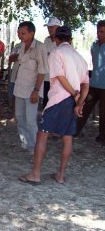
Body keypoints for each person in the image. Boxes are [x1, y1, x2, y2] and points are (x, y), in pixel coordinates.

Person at [19, 26, 89, 185]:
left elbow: (61, 77)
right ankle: (61, 175)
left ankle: (35, 174)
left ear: (56, 39)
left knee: (42, 134)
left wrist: (73, 93)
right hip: (72, 101)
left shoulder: (57, 53)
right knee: (67, 137)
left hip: (58, 99)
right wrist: (79, 101)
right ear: (71, 39)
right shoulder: (80, 58)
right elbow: (85, 85)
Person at [13, 21, 48, 154]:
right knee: (19, 116)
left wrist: (36, 90)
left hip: (32, 90)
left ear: (31, 33)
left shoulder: (40, 47)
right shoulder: (20, 46)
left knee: (30, 120)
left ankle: (34, 147)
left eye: (23, 33)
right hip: (19, 88)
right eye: (19, 32)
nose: (20, 35)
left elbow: (42, 71)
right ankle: (25, 142)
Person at [75, 20, 105, 146]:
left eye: (103, 32)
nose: (100, 34)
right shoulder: (93, 45)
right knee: (84, 107)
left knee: (103, 113)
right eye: (98, 31)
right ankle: (75, 131)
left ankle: (102, 137)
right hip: (93, 83)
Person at [42, 17, 62, 108]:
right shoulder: (46, 40)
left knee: (56, 103)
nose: (49, 29)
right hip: (46, 77)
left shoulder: (63, 41)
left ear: (58, 27)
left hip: (59, 78)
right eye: (48, 27)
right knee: (46, 102)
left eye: (52, 27)